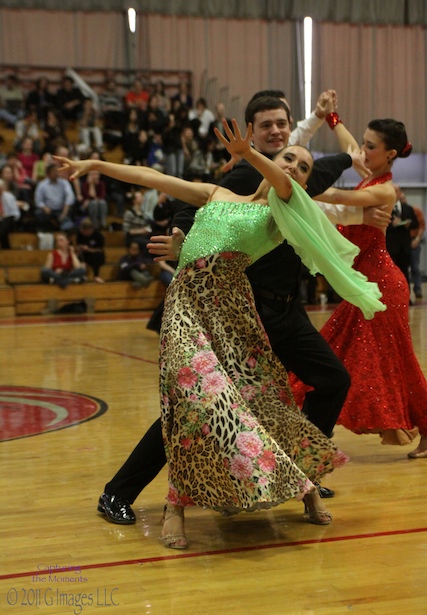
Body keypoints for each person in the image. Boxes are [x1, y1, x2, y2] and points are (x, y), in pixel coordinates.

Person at [56, 119, 385, 546]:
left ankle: (298, 484)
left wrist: (251, 154)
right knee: (194, 399)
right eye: (289, 157)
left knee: (262, 401)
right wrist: (97, 163)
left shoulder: (279, 213)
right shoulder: (217, 192)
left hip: (232, 312)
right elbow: (157, 178)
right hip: (186, 307)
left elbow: (283, 184)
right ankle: (169, 506)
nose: (293, 167)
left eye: (303, 167)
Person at [291, 117, 427, 449]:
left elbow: (335, 194)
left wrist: (297, 178)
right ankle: (311, 426)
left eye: (370, 146)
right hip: (362, 287)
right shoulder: (370, 175)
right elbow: (349, 147)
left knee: (398, 363)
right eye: (363, 143)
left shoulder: (382, 189)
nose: (361, 151)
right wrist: (331, 118)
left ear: (389, 153)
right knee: (332, 354)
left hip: (380, 288)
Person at [386, 183, 419, 290]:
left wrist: (408, 224)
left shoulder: (408, 208)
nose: (395, 194)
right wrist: (392, 225)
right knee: (391, 274)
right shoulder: (385, 208)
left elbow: (416, 223)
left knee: (405, 273)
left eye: (397, 191)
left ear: (400, 193)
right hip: (391, 247)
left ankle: (407, 297)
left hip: (404, 247)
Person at [34, 163, 75, 231]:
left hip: (62, 210)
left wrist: (65, 211)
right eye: (54, 171)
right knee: (38, 213)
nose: (57, 173)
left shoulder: (64, 183)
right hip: (48, 211)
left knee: (68, 226)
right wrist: (44, 207)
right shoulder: (42, 185)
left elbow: (70, 196)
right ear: (48, 174)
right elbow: (38, 200)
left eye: (57, 171)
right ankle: (48, 230)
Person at [76, 217, 105, 282]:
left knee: (97, 255)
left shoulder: (98, 235)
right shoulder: (79, 234)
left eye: (87, 232)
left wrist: (89, 249)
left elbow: (100, 250)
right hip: (84, 255)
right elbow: (78, 245)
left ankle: (96, 276)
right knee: (77, 256)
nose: (85, 234)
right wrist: (80, 248)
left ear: (91, 230)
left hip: (95, 255)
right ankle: (81, 276)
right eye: (84, 232)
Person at [410, 203, 425, 300]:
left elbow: (422, 226)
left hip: (414, 241)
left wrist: (417, 239)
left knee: (415, 267)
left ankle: (418, 289)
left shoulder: (416, 211)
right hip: (401, 243)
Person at [0, 178, 20, 248]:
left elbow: (15, 212)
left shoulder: (9, 196)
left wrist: (6, 216)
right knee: (3, 232)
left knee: (6, 222)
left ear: (2, 188)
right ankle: (6, 248)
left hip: (9, 219)